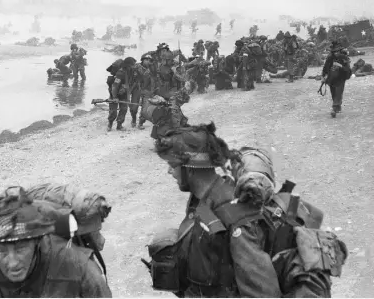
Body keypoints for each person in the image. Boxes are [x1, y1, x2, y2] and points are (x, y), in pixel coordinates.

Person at [144, 122, 347, 298]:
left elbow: (263, 294)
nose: (169, 171)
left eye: (172, 164)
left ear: (190, 168)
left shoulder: (237, 220)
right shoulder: (203, 197)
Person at [0, 187, 112, 298]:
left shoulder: (79, 267)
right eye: (1, 251)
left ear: (37, 241)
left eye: (20, 249)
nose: (13, 262)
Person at [321, 41, 352, 118]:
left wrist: (340, 66)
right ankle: (338, 107)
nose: (336, 53)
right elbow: (325, 69)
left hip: (341, 78)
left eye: (338, 51)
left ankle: (334, 108)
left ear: (340, 51)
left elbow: (348, 70)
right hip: (331, 79)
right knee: (333, 93)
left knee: (338, 92)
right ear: (333, 52)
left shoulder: (344, 58)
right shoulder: (329, 58)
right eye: (335, 51)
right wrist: (323, 77)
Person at [107, 57, 136, 131]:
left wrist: (128, 96)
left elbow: (130, 84)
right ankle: (110, 124)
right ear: (128, 65)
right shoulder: (120, 73)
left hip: (124, 93)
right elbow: (114, 86)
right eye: (132, 65)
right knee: (113, 111)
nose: (134, 66)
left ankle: (119, 125)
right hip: (115, 93)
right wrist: (115, 97)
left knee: (124, 109)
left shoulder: (131, 72)